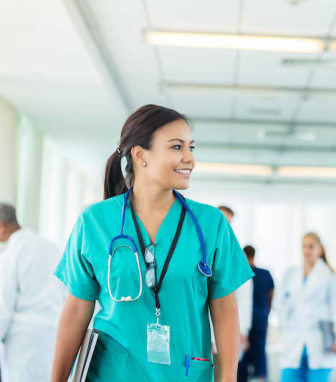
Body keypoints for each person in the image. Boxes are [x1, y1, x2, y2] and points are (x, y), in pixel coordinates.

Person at [51, 105, 254, 381]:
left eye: (191, 148)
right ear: (139, 154)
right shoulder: (95, 222)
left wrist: (227, 379)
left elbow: (225, 308)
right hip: (113, 372)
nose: (189, 159)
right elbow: (76, 308)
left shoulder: (210, 224)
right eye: (176, 147)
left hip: (184, 372)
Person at [0, 203, 65, 382]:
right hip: (52, 338)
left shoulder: (10, 256)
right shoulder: (51, 247)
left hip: (22, 344)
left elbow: (3, 310)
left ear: (2, 225)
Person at [277, 232, 336, 382]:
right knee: (288, 376)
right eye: (303, 247)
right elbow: (280, 304)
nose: (306, 250)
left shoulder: (330, 275)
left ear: (319, 250)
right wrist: (284, 327)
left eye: (310, 246)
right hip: (294, 336)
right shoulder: (291, 273)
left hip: (320, 338)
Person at [212, 206, 253, 381]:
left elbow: (244, 298)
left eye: (228, 222)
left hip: (225, 328)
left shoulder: (234, 253)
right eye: (222, 220)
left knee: (223, 374)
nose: (224, 225)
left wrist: (243, 330)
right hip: (197, 331)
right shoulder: (198, 245)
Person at [238, 245, 274, 382]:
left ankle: (242, 377)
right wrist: (266, 312)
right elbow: (271, 295)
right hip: (260, 316)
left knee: (242, 352)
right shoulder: (265, 274)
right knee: (260, 351)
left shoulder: (242, 274)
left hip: (245, 318)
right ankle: (261, 377)